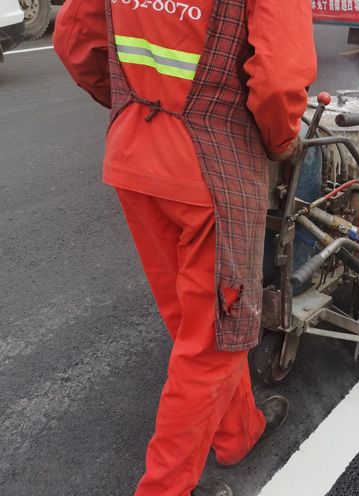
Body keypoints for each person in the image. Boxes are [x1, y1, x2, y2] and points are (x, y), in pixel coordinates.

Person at [53, 0, 316, 493]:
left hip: (135, 153)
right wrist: (281, 142)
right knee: (211, 343)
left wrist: (136, 107)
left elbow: (74, 39)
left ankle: (237, 431)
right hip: (211, 173)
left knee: (195, 320)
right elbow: (279, 82)